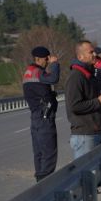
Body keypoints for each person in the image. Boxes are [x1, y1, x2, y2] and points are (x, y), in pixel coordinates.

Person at [65, 40, 101, 159]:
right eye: (91, 52)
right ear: (80, 56)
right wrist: (99, 101)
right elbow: (75, 106)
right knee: (88, 175)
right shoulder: (76, 76)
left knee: (97, 175)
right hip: (85, 136)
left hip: (96, 132)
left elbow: (93, 106)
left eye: (94, 51)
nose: (94, 55)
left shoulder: (89, 76)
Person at [22, 46, 60, 182]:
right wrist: (55, 64)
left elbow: (38, 91)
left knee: (39, 154)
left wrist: (50, 95)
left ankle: (40, 184)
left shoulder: (28, 72)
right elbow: (53, 78)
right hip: (44, 118)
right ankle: (46, 186)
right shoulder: (37, 72)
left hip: (36, 117)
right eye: (46, 59)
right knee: (49, 154)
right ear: (39, 59)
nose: (47, 61)